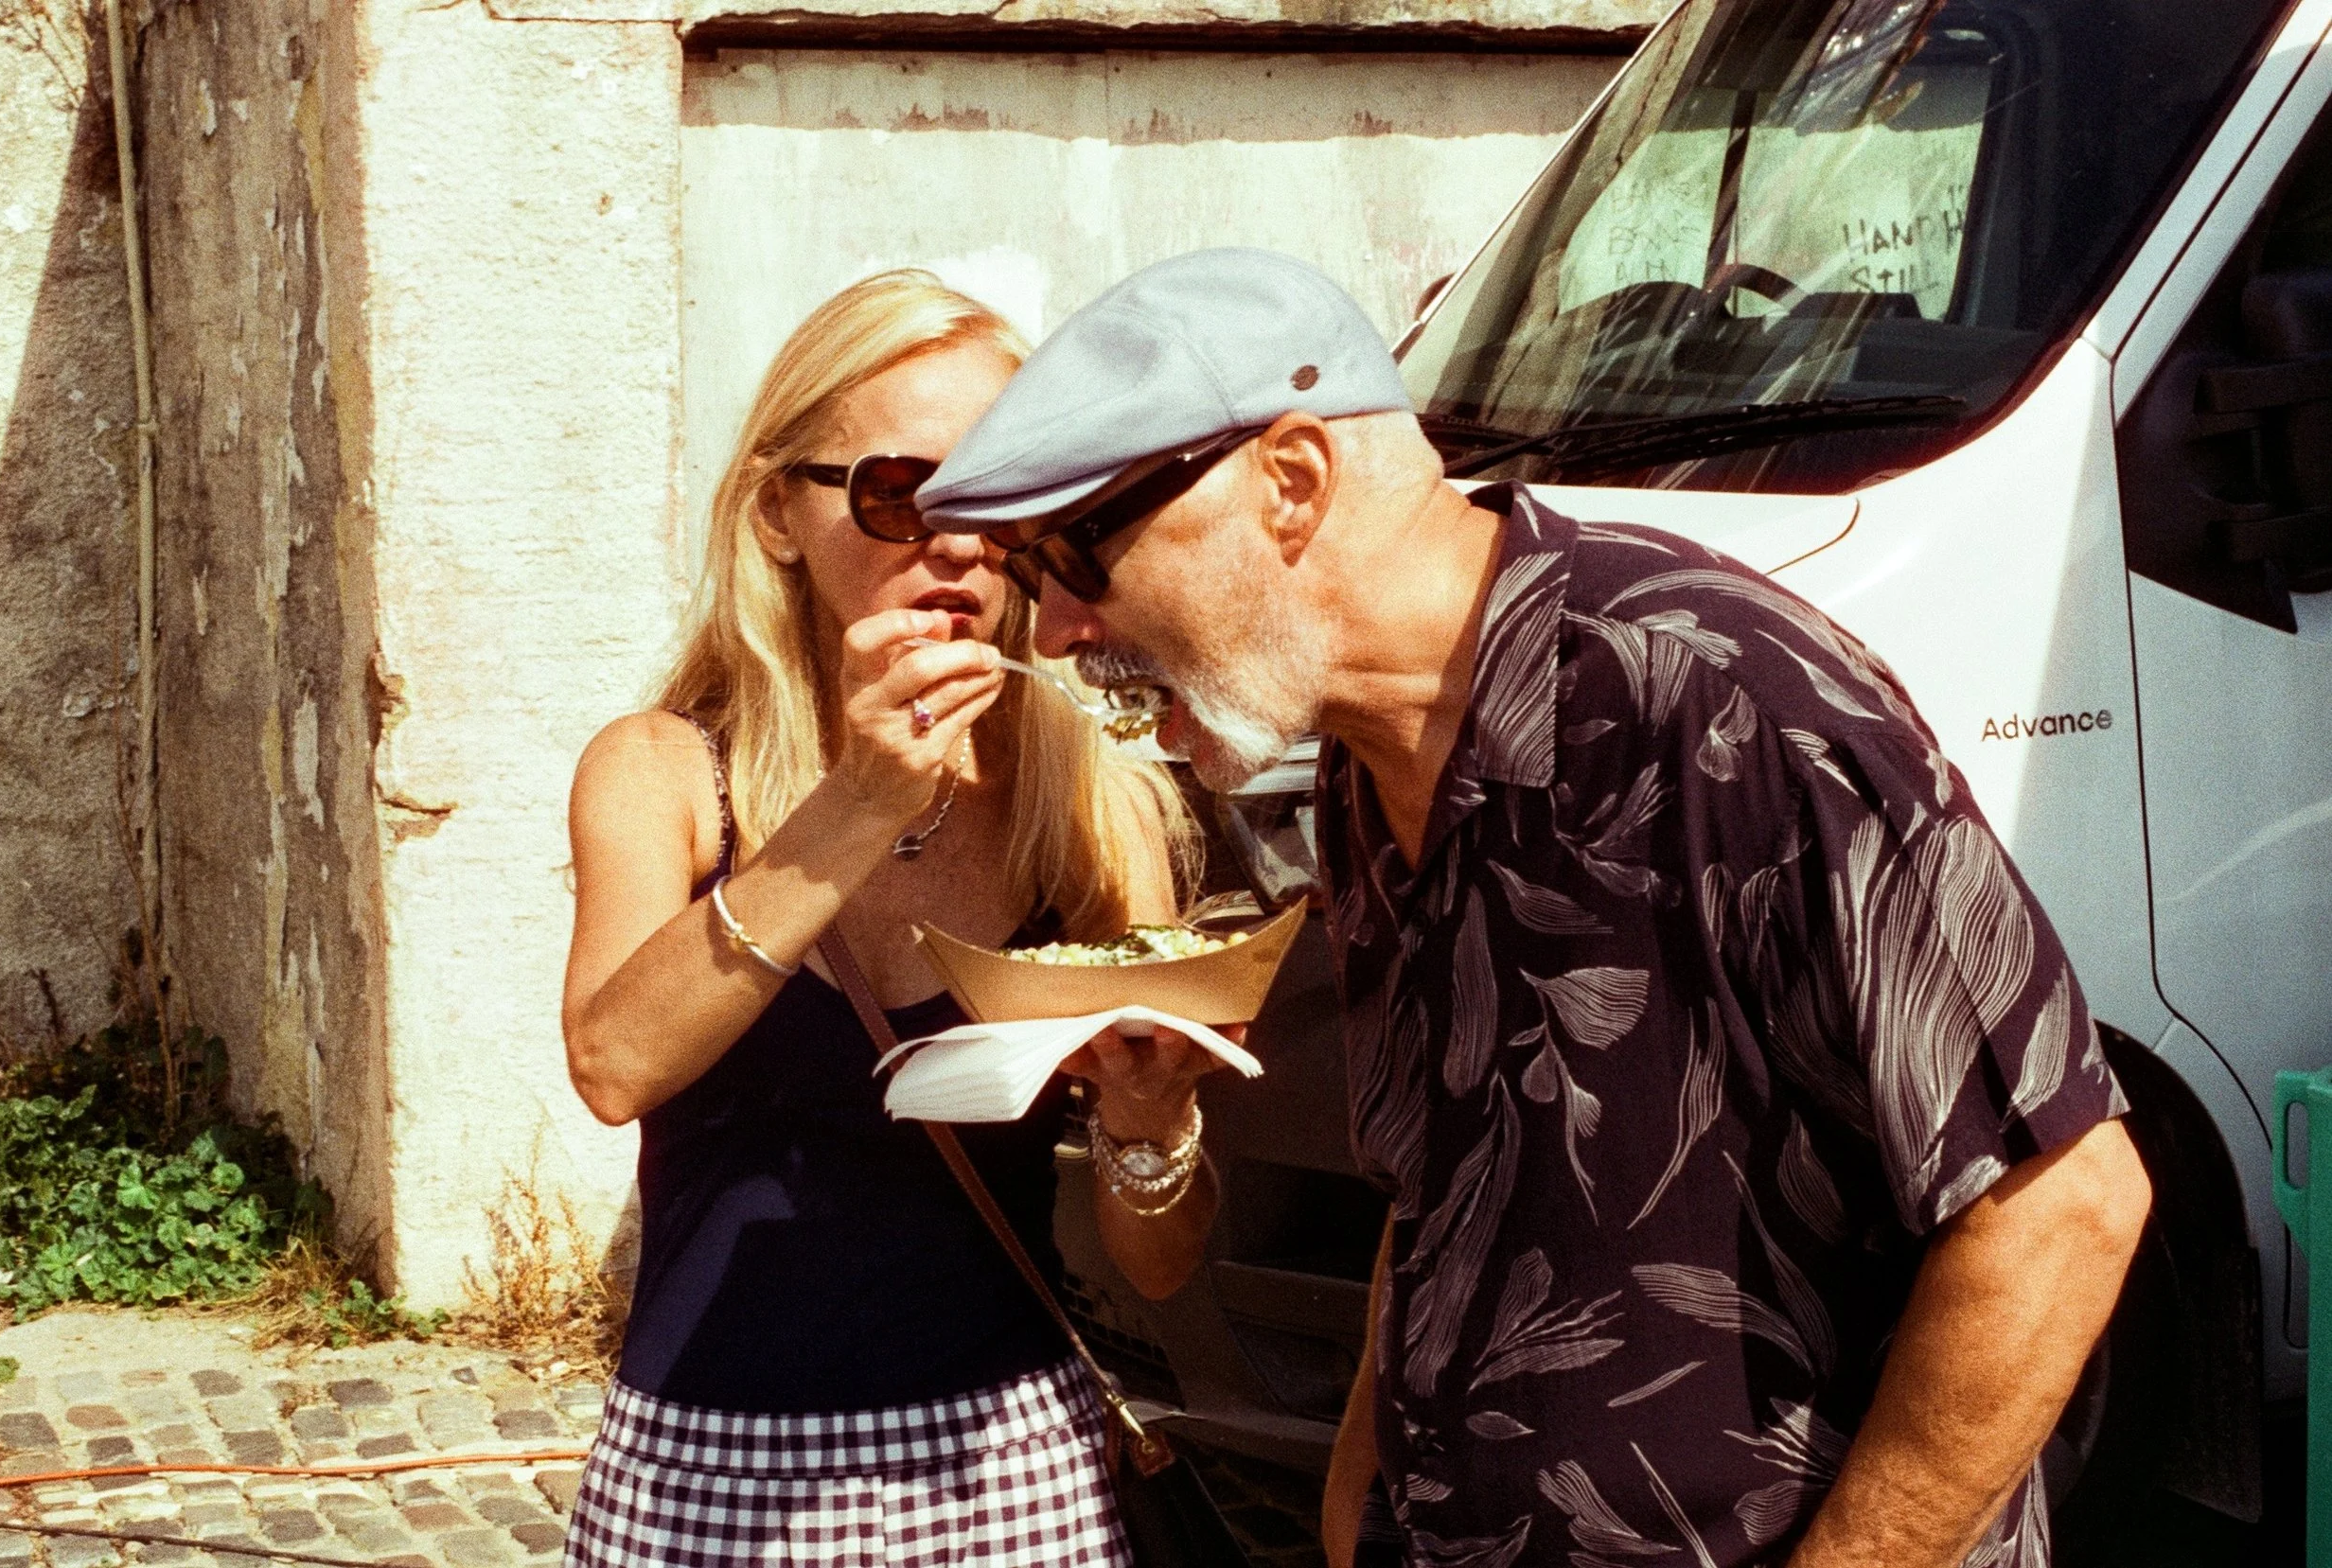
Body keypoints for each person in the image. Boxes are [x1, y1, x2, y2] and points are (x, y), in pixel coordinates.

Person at [913, 248, 2155, 1568]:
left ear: (1290, 483)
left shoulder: (1724, 703)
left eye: (1075, 556)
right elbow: (1440, 1197)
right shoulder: (1360, 769)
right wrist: (1356, 1507)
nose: (1048, 628)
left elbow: (2062, 1205)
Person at [558, 271, 1221, 1568]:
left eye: (1004, 494)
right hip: (714, 1470)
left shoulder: (1088, 797)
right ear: (778, 516)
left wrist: (1153, 1126)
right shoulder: (664, 772)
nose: (959, 541)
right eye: (900, 491)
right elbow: (612, 1063)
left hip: (1010, 1464)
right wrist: (855, 804)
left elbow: (1161, 1268)